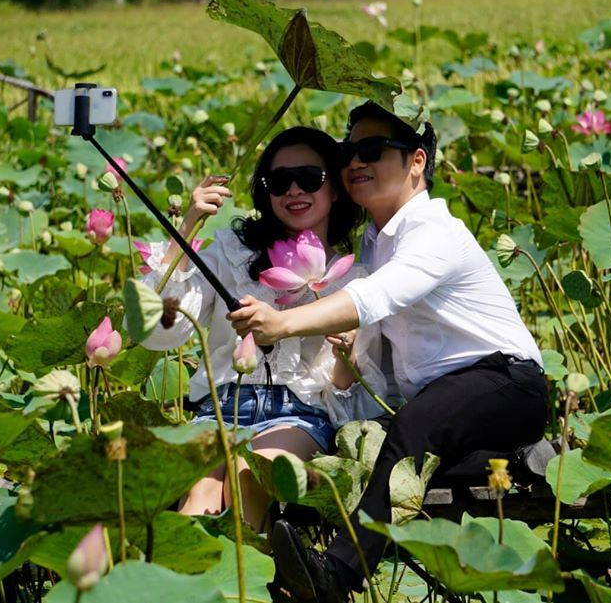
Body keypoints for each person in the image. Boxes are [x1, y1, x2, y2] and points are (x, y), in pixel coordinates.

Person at [228, 102, 549, 602]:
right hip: (448, 404)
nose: (355, 161)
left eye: (373, 150)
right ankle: (513, 459)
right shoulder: (376, 244)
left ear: (417, 161)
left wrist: (283, 323)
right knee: (387, 448)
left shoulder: (434, 233)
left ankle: (338, 575)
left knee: (412, 429)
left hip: (505, 383)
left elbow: (376, 299)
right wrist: (345, 362)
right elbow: (378, 367)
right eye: (348, 151)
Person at [140, 126, 388, 532]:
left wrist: (346, 356)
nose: (294, 190)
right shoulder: (231, 255)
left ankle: (246, 589)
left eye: (310, 179)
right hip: (217, 411)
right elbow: (158, 332)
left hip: (298, 417)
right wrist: (187, 228)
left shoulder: (353, 283)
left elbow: (348, 397)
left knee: (248, 478)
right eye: (279, 181)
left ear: (336, 189)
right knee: (199, 496)